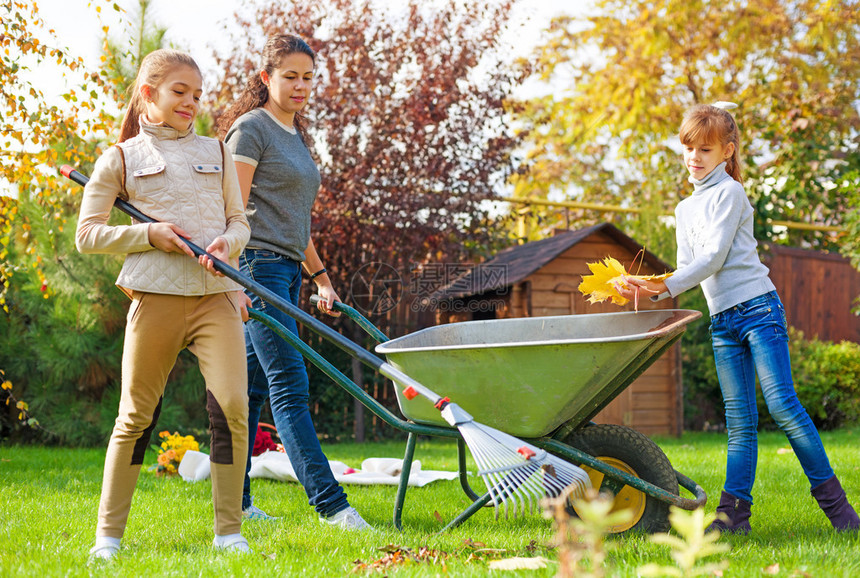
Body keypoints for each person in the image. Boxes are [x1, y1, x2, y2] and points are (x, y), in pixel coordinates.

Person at [617, 102, 859, 534]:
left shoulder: (730, 193)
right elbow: (684, 269)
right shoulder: (683, 209)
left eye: (705, 150)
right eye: (688, 147)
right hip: (723, 322)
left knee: (784, 406)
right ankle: (733, 518)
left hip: (758, 310)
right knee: (740, 422)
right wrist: (646, 285)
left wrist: (662, 285)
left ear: (727, 152)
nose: (694, 157)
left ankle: (840, 512)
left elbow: (712, 259)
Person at [76, 49, 253, 559]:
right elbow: (88, 235)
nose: (190, 103)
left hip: (214, 297)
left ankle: (229, 533)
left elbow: (239, 222)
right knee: (135, 416)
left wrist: (228, 245)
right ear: (148, 94)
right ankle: (107, 540)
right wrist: (149, 233)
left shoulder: (217, 151)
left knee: (233, 409)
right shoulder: (121, 157)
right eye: (179, 92)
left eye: (196, 95)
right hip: (155, 298)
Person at [216, 34, 370, 530]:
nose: (301, 86)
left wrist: (321, 277)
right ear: (267, 78)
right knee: (289, 382)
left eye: (308, 77)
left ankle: (238, 505)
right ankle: (332, 506)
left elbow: (294, 221)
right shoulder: (251, 130)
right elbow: (233, 213)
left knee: (254, 388)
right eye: (290, 76)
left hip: (287, 270)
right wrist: (235, 279)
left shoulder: (295, 135)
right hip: (256, 267)